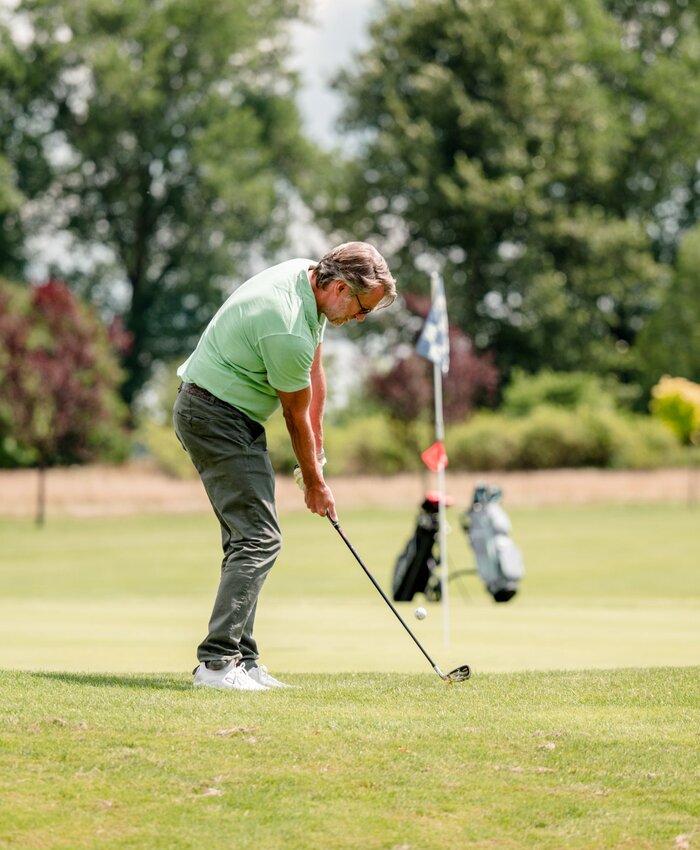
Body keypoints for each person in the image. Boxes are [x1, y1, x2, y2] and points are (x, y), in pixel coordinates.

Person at [173, 242, 397, 691]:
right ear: (338, 288)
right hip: (214, 415)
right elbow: (294, 415)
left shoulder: (305, 276)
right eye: (361, 309)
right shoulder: (289, 326)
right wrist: (314, 484)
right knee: (259, 537)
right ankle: (217, 665)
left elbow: (313, 377)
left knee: (248, 537)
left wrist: (317, 457)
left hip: (224, 413)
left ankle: (243, 660)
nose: (359, 319)